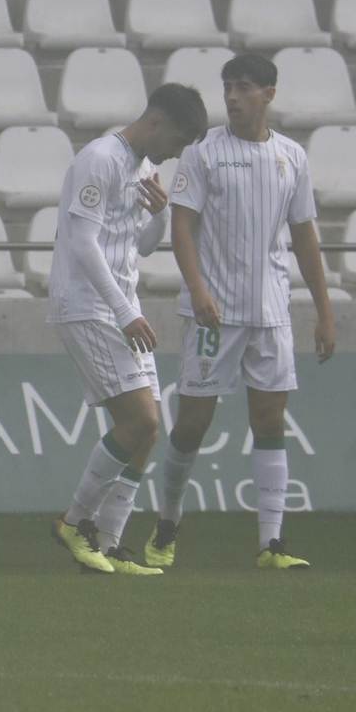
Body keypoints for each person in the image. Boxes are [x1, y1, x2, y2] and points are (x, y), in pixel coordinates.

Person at [149, 54, 336, 570]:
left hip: (272, 312)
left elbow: (304, 236)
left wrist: (324, 312)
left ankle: (270, 544)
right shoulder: (205, 151)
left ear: (268, 95)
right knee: (192, 425)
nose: (231, 96)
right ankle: (167, 523)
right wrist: (198, 289)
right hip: (214, 314)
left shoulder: (292, 156)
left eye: (244, 87)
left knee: (270, 420)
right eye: (227, 86)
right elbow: (181, 225)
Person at [46, 84, 208, 576]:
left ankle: (111, 543)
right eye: (178, 141)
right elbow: (83, 242)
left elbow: (138, 247)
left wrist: (157, 216)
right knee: (139, 421)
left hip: (117, 304)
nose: (177, 154)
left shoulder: (142, 168)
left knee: (147, 430)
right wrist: (124, 311)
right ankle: (76, 521)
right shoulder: (100, 159)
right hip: (90, 306)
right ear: (156, 122)